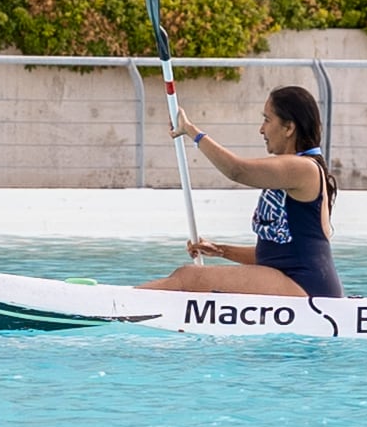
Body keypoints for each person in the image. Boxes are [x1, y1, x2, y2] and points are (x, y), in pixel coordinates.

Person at [142, 83, 339, 298]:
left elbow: (237, 170)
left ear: (289, 128)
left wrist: (191, 131)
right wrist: (221, 250)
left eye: (267, 120)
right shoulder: (294, 171)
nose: (261, 129)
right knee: (186, 276)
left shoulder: (304, 168)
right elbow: (275, 255)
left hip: (307, 286)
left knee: (189, 278)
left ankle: (120, 305)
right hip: (294, 280)